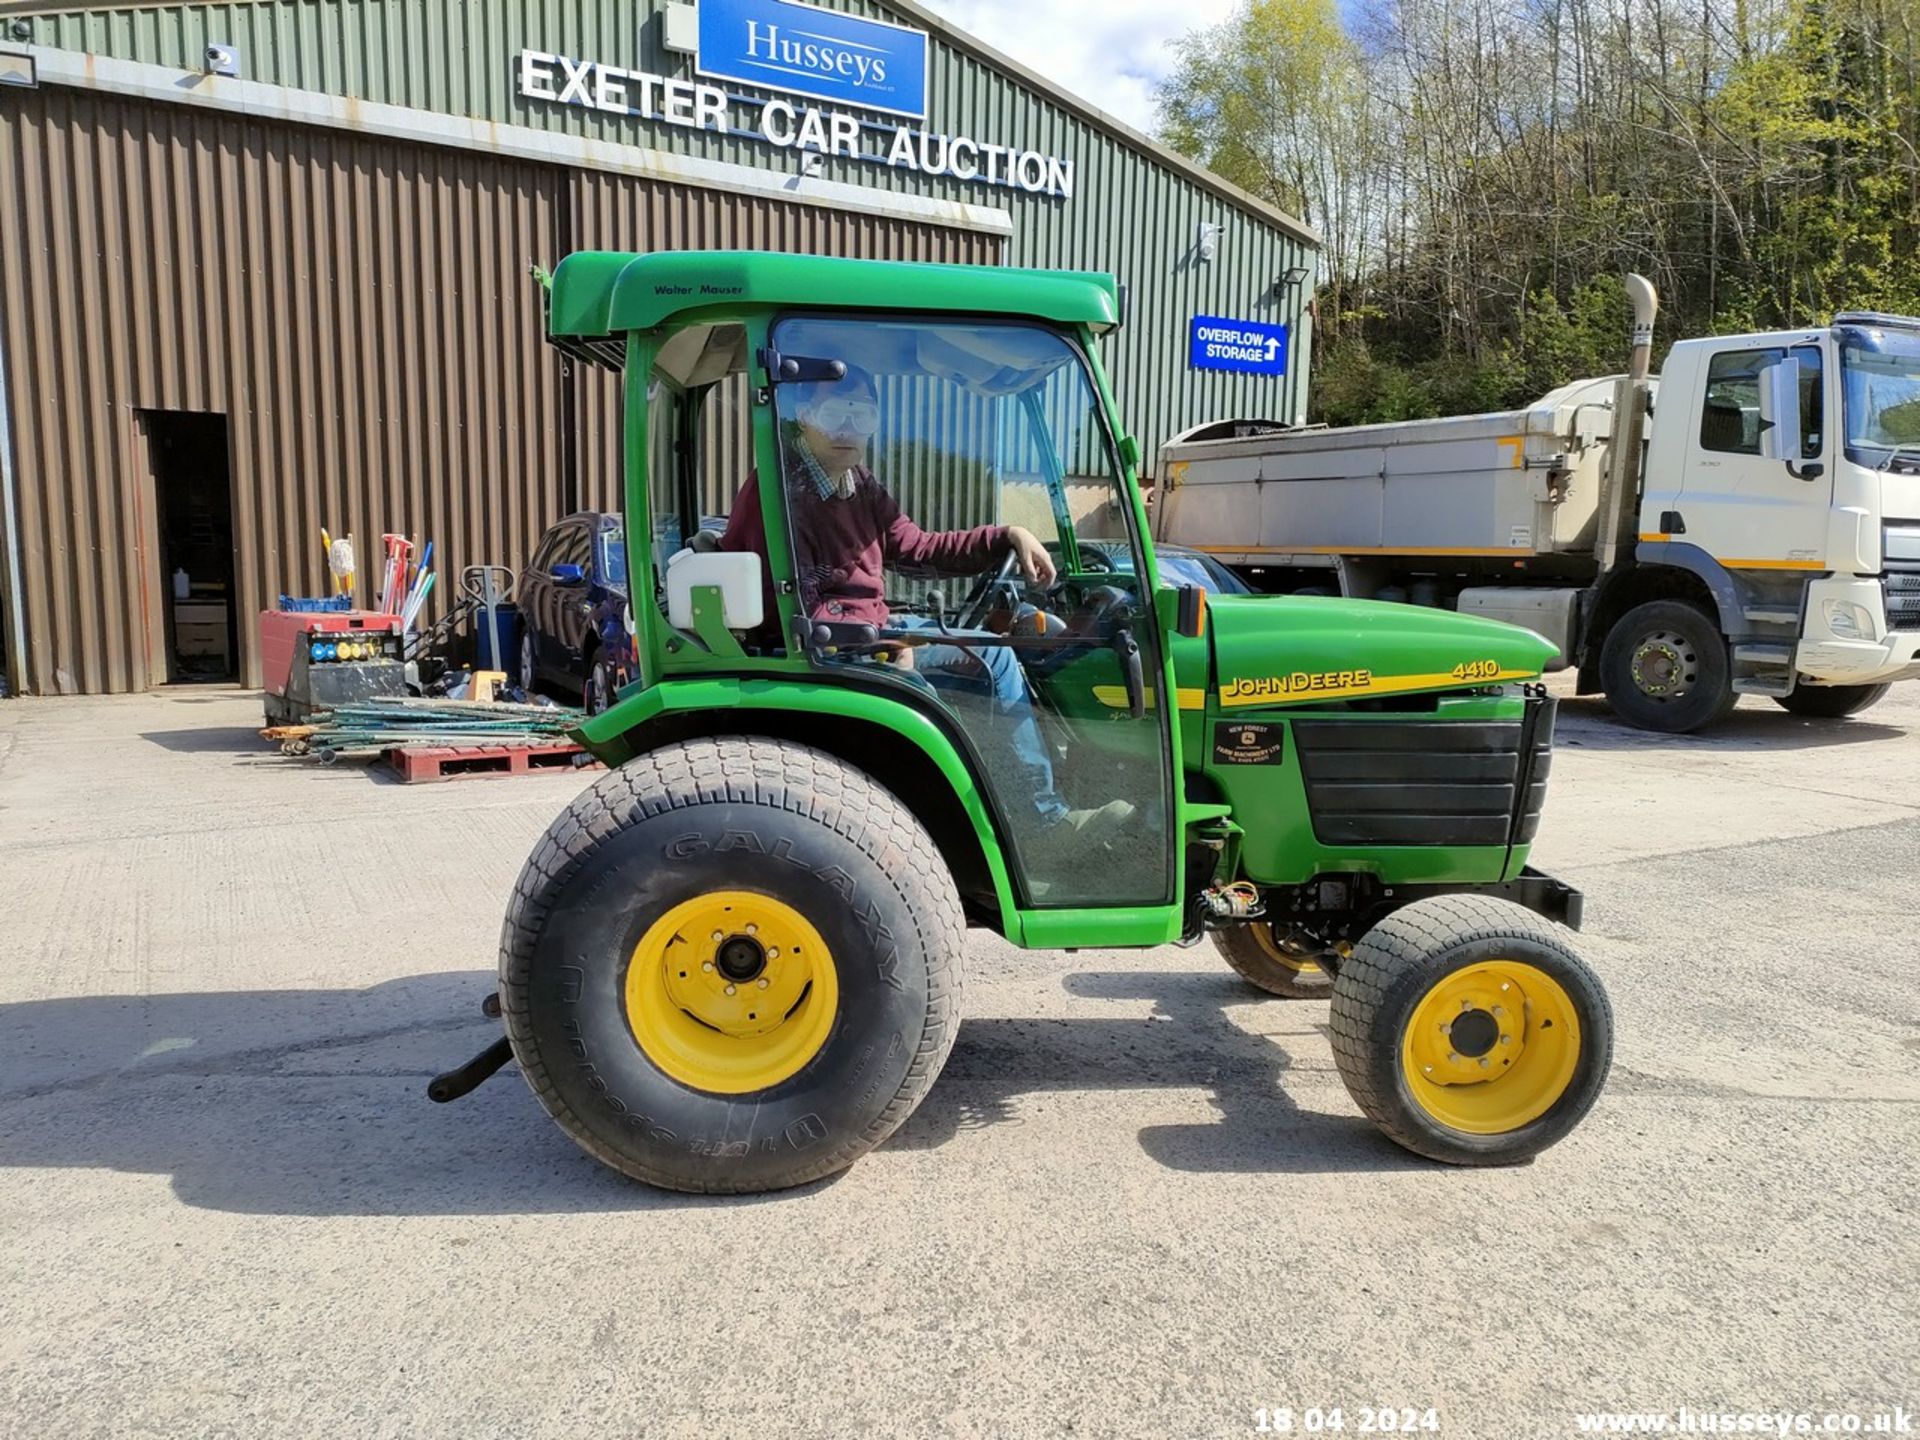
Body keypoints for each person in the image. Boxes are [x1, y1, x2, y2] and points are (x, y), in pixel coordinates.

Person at [720, 365, 1131, 840]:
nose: (849, 428)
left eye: (863, 414)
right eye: (835, 413)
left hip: (861, 637)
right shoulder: (779, 492)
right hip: (820, 652)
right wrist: (884, 643)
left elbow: (918, 547)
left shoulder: (859, 484)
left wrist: (1005, 536)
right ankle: (951, 837)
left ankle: (1037, 816)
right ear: (804, 416)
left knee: (994, 652)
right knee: (934, 705)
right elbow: (792, 609)